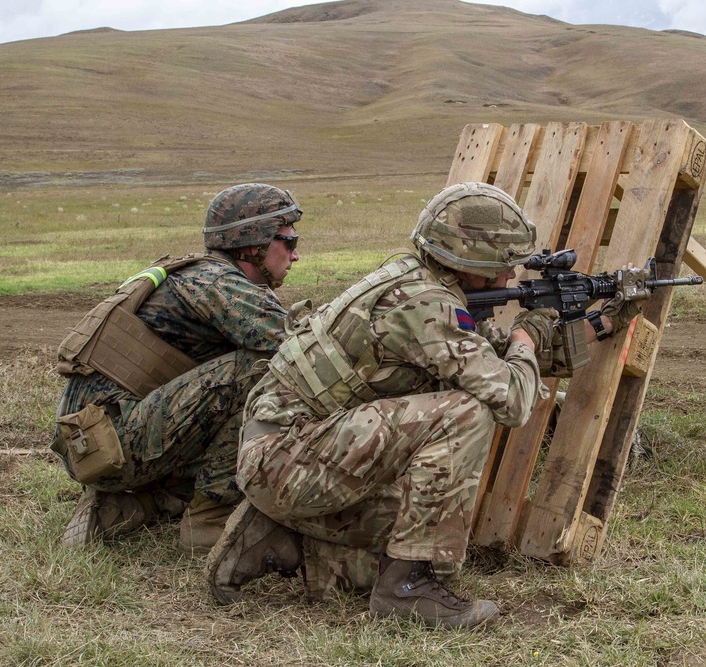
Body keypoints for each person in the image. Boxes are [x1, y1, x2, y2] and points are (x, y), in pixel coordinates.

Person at [204, 182, 641, 629]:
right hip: (285, 460)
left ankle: (279, 535)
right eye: (503, 266)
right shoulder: (425, 304)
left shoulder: (418, 279)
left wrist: (604, 320)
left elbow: (494, 353)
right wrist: (527, 336)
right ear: (472, 259)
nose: (510, 278)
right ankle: (408, 590)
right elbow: (510, 398)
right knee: (466, 413)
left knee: (438, 524)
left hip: (291, 454)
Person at [52, 182, 303, 555]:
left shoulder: (197, 275)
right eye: (289, 241)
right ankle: (210, 519)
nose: (295, 255)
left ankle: (131, 506)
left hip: (94, 447)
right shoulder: (217, 283)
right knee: (265, 368)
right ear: (254, 245)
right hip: (115, 446)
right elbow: (303, 348)